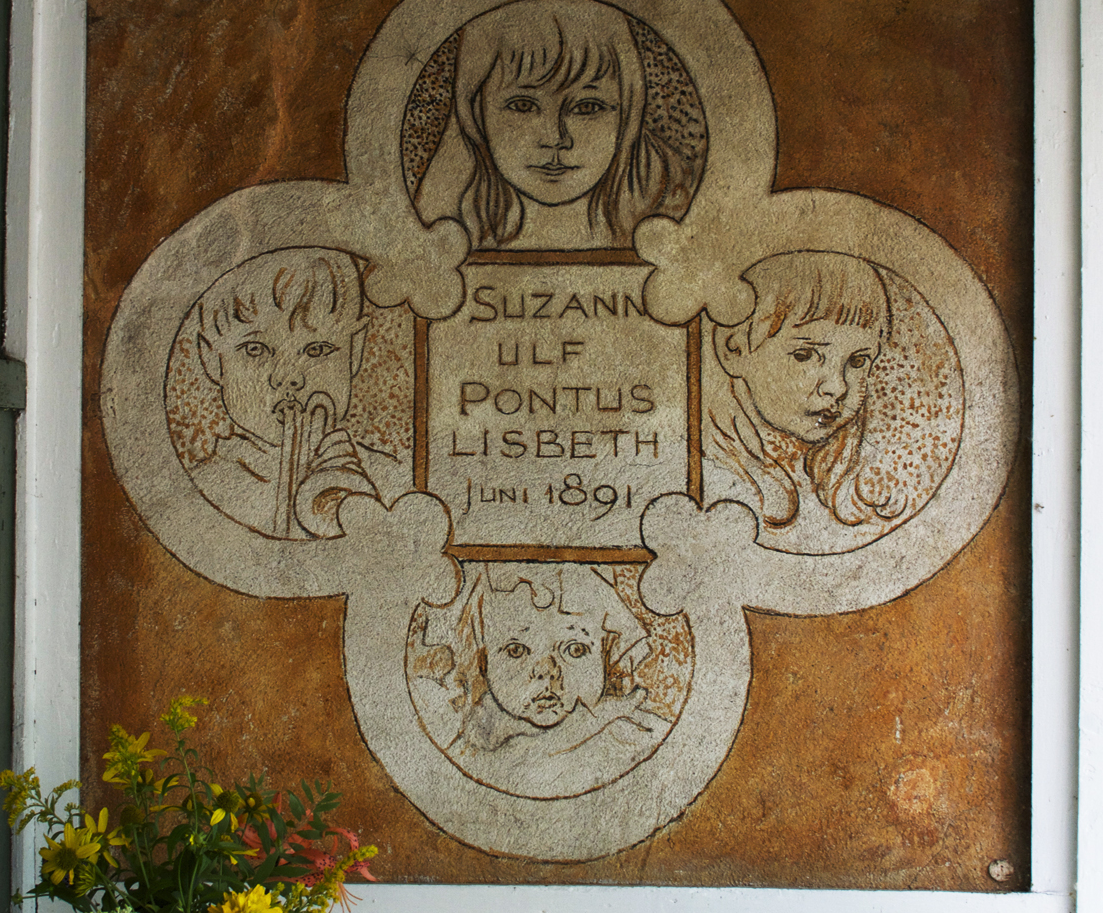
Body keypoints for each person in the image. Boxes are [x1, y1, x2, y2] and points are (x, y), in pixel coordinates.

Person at [414, 0, 697, 251]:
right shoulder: (448, 228)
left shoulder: (669, 209)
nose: (556, 138)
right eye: (523, 106)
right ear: (475, 112)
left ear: (627, 112)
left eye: (587, 107)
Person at [189, 246, 403, 539]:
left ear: (355, 349)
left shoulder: (393, 482)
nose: (288, 377)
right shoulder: (202, 490)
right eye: (255, 349)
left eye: (317, 349)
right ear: (211, 359)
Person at [409, 561, 669, 798]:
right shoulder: (467, 749)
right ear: (484, 662)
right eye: (516, 650)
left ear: (606, 655)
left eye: (575, 649)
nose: (547, 672)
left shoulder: (638, 741)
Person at [706, 251, 905, 548]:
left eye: (858, 361)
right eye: (806, 355)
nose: (837, 387)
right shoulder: (714, 475)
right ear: (735, 350)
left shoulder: (861, 487)